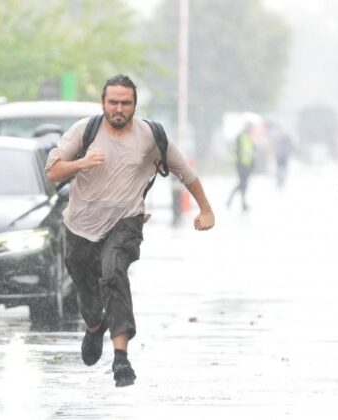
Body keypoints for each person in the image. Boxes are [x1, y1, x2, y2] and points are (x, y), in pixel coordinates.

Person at [45, 74, 215, 387]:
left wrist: (205, 209)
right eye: (113, 102)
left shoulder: (151, 136)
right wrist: (82, 163)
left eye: (126, 103)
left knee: (113, 273)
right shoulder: (85, 131)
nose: (119, 108)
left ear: (135, 104)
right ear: (103, 103)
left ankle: (121, 356)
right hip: (80, 225)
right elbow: (53, 171)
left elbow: (185, 173)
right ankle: (95, 325)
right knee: (85, 288)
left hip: (126, 221)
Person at [226, 123, 255, 210]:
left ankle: (242, 203)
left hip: (247, 165)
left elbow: (252, 150)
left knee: (244, 184)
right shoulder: (241, 137)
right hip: (241, 164)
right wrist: (239, 163)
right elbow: (238, 151)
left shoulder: (249, 137)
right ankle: (232, 201)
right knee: (242, 183)